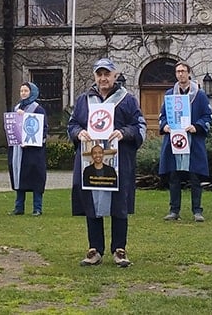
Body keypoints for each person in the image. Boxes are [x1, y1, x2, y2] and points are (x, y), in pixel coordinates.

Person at [68, 57, 146, 268]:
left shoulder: (127, 100)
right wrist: (78, 132)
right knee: (92, 202)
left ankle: (119, 249)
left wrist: (123, 133)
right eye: (99, 74)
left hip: (118, 161)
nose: (103, 78)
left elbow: (140, 126)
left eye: (107, 74)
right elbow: (72, 124)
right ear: (95, 76)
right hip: (89, 160)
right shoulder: (84, 100)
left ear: (114, 76)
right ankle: (95, 249)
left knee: (118, 204)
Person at [158, 60, 212, 222]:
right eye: (178, 71)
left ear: (188, 73)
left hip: (192, 141)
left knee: (195, 177)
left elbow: (208, 116)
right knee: (174, 176)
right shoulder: (170, 95)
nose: (180, 74)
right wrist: (165, 126)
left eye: (183, 71)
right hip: (174, 141)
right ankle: (174, 210)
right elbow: (162, 116)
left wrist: (197, 127)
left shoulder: (199, 95)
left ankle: (197, 211)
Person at [8, 81, 48, 216]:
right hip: (19, 150)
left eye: (26, 91)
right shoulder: (17, 108)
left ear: (32, 92)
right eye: (21, 91)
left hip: (34, 151)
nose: (23, 93)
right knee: (20, 178)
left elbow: (42, 128)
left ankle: (37, 208)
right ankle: (19, 207)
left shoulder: (38, 109)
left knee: (35, 178)